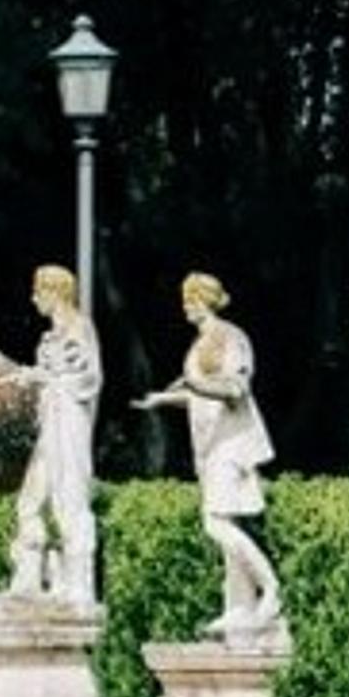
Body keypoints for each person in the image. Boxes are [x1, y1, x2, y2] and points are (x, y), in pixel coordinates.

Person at [137, 272, 280, 637]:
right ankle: (239, 605)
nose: (185, 306)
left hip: (230, 443)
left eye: (190, 299)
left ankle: (271, 588)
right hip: (209, 446)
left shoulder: (231, 338)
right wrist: (164, 399)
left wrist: (194, 382)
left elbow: (235, 389)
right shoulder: (201, 343)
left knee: (215, 522)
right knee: (224, 521)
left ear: (205, 300)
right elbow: (199, 392)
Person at [7, 266, 102, 608]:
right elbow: (53, 376)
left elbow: (87, 380)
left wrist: (43, 380)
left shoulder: (79, 328)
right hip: (51, 422)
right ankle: (35, 576)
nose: (34, 300)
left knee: (69, 498)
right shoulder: (51, 337)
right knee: (30, 500)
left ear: (54, 292)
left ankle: (79, 583)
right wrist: (33, 377)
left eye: (38, 292)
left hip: (69, 423)